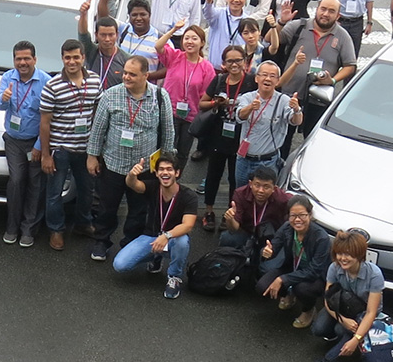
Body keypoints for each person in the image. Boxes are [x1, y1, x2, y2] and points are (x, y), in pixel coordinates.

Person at [87, 55, 175, 259]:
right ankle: (102, 241)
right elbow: (98, 130)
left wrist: (167, 164)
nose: (126, 77)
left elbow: (168, 131)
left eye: (132, 74)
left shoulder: (160, 97)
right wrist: (92, 156)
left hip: (144, 168)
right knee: (107, 207)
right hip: (113, 164)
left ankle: (129, 244)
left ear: (145, 75)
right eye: (125, 72)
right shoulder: (110, 95)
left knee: (139, 210)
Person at [37, 38, 99, 251]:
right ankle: (56, 229)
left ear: (83, 58)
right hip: (60, 148)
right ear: (62, 58)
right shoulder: (52, 85)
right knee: (54, 192)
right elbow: (45, 123)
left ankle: (83, 223)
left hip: (86, 149)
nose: (71, 62)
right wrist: (46, 154)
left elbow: (97, 113)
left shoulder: (94, 80)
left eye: (75, 57)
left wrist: (97, 149)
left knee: (87, 190)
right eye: (67, 57)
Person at [113, 151, 199, 298]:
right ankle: (156, 258)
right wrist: (132, 175)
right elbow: (133, 185)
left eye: (169, 169)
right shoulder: (153, 187)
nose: (165, 173)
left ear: (177, 173)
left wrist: (166, 236)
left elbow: (188, 225)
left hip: (173, 239)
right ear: (157, 173)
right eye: (161, 169)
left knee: (182, 242)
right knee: (120, 265)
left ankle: (174, 277)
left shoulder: (189, 196)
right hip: (151, 236)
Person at [271, 0, 357, 129]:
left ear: (338, 16)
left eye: (331, 11)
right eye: (323, 9)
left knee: (312, 137)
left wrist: (332, 81)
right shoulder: (298, 26)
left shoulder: (343, 36)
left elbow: (350, 66)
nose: (326, 14)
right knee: (283, 137)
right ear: (317, 9)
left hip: (318, 98)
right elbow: (269, 41)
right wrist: (281, 22)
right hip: (289, 93)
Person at [0, 41, 50, 247]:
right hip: (13, 140)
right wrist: (4, 98)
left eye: (27, 58)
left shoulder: (45, 81)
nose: (23, 62)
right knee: (17, 181)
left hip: (35, 141)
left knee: (35, 185)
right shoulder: (8, 78)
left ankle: (29, 229)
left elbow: (48, 118)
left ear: (35, 59)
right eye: (18, 58)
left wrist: (39, 145)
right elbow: (0, 106)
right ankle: (12, 227)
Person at [313, 229, 386, 362]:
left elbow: (371, 312)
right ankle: (341, 335)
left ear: (359, 255)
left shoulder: (374, 274)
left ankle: (353, 342)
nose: (343, 258)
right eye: (340, 253)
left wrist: (356, 338)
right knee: (319, 329)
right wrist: (342, 319)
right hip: (341, 307)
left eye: (348, 254)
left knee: (341, 331)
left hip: (363, 312)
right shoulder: (334, 268)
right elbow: (328, 299)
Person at [258, 196, 333, 327]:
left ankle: (308, 310)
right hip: (291, 268)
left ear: (310, 214)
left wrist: (282, 279)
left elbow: (314, 271)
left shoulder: (321, 238)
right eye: (293, 215)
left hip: (315, 276)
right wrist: (267, 252)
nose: (297, 220)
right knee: (262, 287)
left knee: (302, 288)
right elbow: (274, 246)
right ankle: (290, 295)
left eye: (302, 215)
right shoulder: (287, 228)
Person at [196, 45, 252, 218]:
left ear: (245, 62)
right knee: (213, 174)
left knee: (235, 179)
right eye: (230, 61)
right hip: (218, 136)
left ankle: (231, 213)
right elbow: (201, 104)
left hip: (240, 137)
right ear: (224, 63)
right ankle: (209, 211)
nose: (234, 64)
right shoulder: (219, 80)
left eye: (238, 60)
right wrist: (216, 103)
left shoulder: (251, 81)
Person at [233, 59, 301, 183]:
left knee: (264, 197)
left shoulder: (283, 100)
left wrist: (296, 109)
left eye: (272, 76)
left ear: (277, 80)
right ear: (256, 78)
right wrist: (251, 107)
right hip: (243, 159)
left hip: (267, 161)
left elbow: (296, 121)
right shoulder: (247, 97)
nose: (268, 79)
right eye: (264, 75)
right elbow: (240, 116)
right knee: (241, 195)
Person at [220, 166, 291, 269]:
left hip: (270, 238)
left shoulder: (282, 199)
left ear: (274, 189)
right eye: (257, 185)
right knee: (227, 237)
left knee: (268, 268)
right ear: (250, 184)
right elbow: (233, 229)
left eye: (266, 187)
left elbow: (300, 204)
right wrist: (230, 219)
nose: (261, 190)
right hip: (246, 232)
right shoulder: (240, 194)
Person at [154, 23, 213, 145]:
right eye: (186, 38)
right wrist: (174, 30)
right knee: (167, 147)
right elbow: (158, 46)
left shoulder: (207, 68)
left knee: (183, 152)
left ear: (202, 43)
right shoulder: (175, 57)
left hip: (191, 115)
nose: (190, 41)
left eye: (194, 38)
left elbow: (206, 94)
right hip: (169, 112)